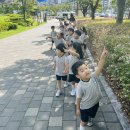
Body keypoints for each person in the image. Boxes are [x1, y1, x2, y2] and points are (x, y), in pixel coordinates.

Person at [72, 47, 108, 130]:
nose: (86, 70)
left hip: (95, 103)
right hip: (85, 107)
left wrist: (103, 57)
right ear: (78, 76)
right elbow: (78, 99)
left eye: (86, 68)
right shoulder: (80, 86)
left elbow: (99, 67)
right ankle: (82, 127)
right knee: (83, 121)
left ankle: (90, 119)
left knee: (92, 115)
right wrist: (77, 109)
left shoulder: (93, 77)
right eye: (82, 70)